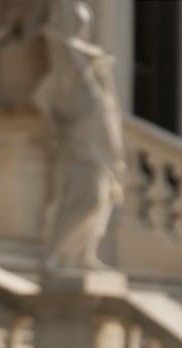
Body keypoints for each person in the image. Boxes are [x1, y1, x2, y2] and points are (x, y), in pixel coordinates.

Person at [33, 0, 125, 271]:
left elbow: (110, 107)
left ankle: (85, 254)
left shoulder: (93, 62)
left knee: (104, 199)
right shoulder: (69, 64)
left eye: (84, 23)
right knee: (87, 198)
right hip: (81, 142)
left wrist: (115, 147)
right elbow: (41, 97)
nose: (82, 28)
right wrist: (59, 125)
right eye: (78, 22)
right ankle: (53, 252)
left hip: (101, 140)